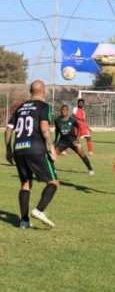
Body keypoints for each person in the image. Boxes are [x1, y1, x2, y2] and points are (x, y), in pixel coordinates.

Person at [5, 80, 60, 229]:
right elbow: (44, 127)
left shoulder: (20, 107)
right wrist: (52, 147)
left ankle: (24, 221)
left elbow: (8, 130)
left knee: (25, 184)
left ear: (30, 91)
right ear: (44, 91)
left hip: (19, 148)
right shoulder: (44, 106)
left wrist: (8, 150)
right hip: (35, 148)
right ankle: (39, 210)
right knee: (53, 182)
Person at [54, 105, 94, 175]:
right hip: (62, 141)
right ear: (60, 111)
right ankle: (53, 169)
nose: (64, 111)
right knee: (53, 154)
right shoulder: (57, 120)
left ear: (68, 111)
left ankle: (90, 169)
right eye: (62, 110)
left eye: (66, 110)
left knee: (81, 154)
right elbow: (57, 130)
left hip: (73, 140)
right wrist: (56, 138)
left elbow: (79, 128)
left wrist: (76, 139)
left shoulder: (72, 119)